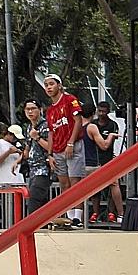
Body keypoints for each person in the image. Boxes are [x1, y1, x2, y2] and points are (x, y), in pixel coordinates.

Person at [43, 74, 86, 227]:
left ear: (59, 85)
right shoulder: (49, 110)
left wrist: (71, 143)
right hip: (57, 149)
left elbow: (78, 120)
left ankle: (78, 218)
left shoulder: (69, 100)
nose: (48, 87)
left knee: (76, 182)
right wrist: (49, 154)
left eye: (51, 84)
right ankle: (69, 216)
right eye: (46, 84)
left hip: (72, 146)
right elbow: (50, 132)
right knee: (64, 183)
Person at [84, 102, 123, 224]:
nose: (101, 114)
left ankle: (114, 213)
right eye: (99, 111)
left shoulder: (113, 124)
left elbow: (107, 145)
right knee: (95, 188)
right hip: (95, 160)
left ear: (108, 111)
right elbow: (103, 144)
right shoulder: (92, 125)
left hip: (107, 159)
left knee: (113, 184)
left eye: (104, 111)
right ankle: (95, 213)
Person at [21, 100, 53, 218]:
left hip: (44, 168)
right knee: (41, 199)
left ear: (40, 110)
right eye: (27, 109)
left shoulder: (46, 125)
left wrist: (37, 137)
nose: (30, 111)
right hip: (32, 169)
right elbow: (27, 148)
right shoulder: (29, 127)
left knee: (35, 197)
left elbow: (51, 147)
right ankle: (43, 225)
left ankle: (31, 225)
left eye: (33, 108)